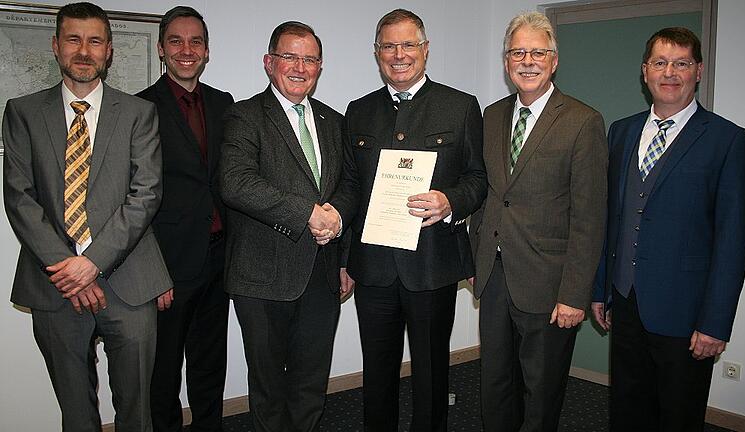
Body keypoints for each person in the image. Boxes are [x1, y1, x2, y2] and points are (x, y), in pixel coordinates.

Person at [2, 2, 172, 430]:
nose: (84, 50)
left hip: (129, 283)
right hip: (53, 284)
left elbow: (145, 194)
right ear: (56, 46)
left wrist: (91, 263)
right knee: (76, 411)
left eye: (94, 41)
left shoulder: (139, 113)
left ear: (109, 50)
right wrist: (68, 269)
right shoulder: (21, 113)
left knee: (137, 411)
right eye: (74, 39)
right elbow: (20, 198)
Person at [592, 27, 745, 432]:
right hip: (626, 301)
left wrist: (716, 322)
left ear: (697, 71)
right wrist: (600, 289)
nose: (671, 72)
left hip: (687, 313)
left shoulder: (728, 140)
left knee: (679, 417)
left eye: (682, 63)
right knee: (628, 411)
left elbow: (733, 240)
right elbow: (611, 216)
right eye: (661, 63)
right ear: (645, 71)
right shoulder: (622, 131)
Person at [331, 9, 486, 431]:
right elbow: (349, 188)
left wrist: (449, 201)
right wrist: (344, 259)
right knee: (377, 374)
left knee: (432, 374)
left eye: (408, 45)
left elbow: (478, 179)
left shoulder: (460, 107)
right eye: (388, 46)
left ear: (425, 49)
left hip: (433, 266)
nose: (399, 55)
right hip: (374, 266)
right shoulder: (358, 111)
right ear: (377, 53)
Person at [470, 12, 607, 432]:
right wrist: (478, 262)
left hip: (550, 287)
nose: (527, 61)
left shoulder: (583, 122)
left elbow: (589, 217)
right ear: (506, 60)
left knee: (541, 393)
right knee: (494, 385)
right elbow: (489, 196)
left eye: (537, 52)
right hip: (494, 278)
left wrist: (574, 295)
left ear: (554, 61)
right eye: (517, 52)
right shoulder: (491, 116)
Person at [218, 21, 345, 432]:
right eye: (290, 56)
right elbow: (235, 182)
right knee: (269, 388)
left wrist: (337, 218)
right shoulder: (244, 114)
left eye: (309, 59)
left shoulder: (332, 120)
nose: (299, 66)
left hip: (322, 273)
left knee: (311, 384)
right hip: (262, 275)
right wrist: (307, 212)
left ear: (320, 67)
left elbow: (348, 184)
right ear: (269, 62)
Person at [136, 6, 234, 432]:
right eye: (176, 41)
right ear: (161, 49)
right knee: (164, 371)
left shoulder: (224, 104)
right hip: (169, 266)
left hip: (219, 258)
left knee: (210, 364)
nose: (186, 50)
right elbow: (132, 198)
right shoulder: (139, 108)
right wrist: (152, 272)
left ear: (207, 51)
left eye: (195, 41)